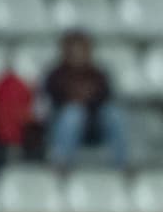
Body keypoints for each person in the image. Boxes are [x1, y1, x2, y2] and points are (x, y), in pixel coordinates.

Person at [44, 31, 128, 169]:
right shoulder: (56, 74)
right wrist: (76, 99)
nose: (78, 54)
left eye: (81, 49)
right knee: (73, 113)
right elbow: (53, 99)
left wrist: (86, 99)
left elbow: (105, 96)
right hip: (63, 125)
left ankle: (121, 163)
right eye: (74, 50)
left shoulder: (98, 74)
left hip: (95, 125)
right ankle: (61, 163)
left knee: (114, 114)